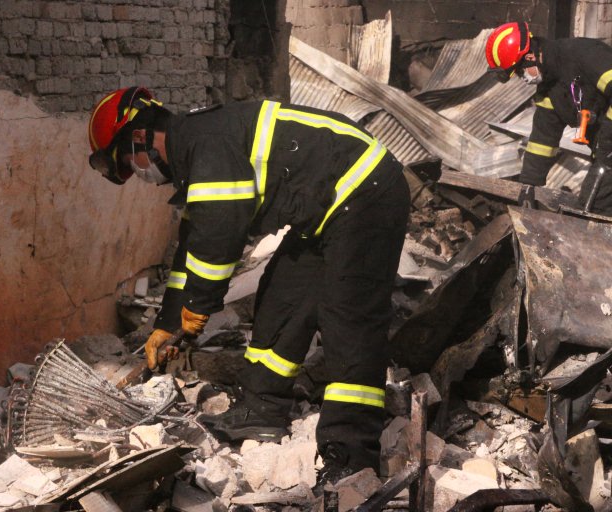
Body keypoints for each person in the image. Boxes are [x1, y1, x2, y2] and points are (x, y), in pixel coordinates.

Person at [87, 86, 410, 483]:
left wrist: (198, 307)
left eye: (127, 163)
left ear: (140, 137)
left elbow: (220, 238)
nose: (138, 175)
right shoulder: (195, 150)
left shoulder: (206, 147)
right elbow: (191, 250)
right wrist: (168, 323)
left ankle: (352, 456)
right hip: (326, 211)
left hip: (367, 193)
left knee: (349, 320)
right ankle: (262, 409)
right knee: (282, 297)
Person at [485, 21, 612, 214]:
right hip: (606, 154)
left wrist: (607, 139)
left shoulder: (585, 55)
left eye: (520, 71)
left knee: (595, 206)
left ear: (530, 56)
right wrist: (528, 185)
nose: (522, 78)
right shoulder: (549, 89)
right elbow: (543, 138)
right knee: (594, 204)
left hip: (608, 152)